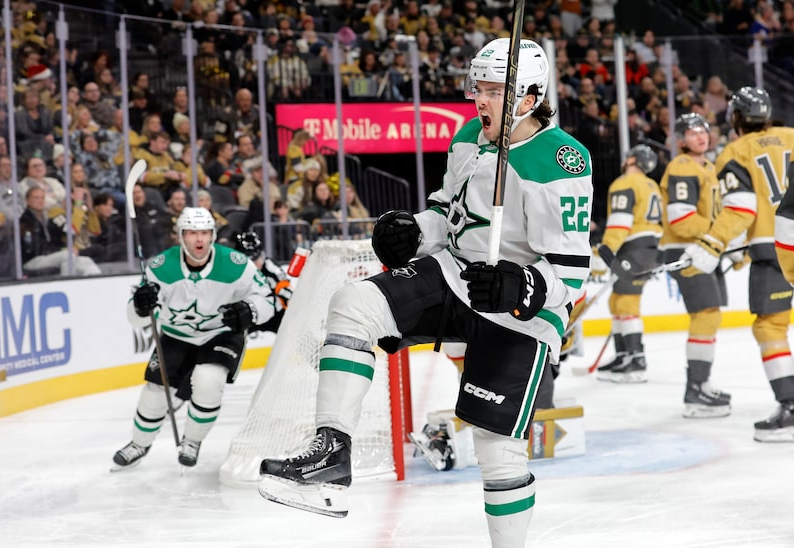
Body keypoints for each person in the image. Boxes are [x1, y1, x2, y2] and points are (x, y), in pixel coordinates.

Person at [258, 38, 593, 546]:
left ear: (527, 98)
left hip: (521, 314)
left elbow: (570, 272)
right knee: (354, 304)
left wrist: (519, 284)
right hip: (454, 277)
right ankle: (331, 454)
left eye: (490, 91)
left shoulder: (562, 159)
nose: (477, 100)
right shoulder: (469, 138)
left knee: (497, 447)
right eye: (476, 88)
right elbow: (447, 214)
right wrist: (415, 231)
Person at [112, 207, 276, 469]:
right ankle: (139, 444)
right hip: (176, 335)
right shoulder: (160, 267)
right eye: (191, 233)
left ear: (212, 235)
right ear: (180, 236)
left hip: (221, 333)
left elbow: (267, 299)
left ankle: (192, 440)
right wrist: (141, 307)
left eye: (204, 233)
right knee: (155, 393)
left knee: (208, 380)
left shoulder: (236, 264)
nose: (199, 240)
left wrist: (250, 310)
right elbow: (137, 319)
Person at [682, 87, 794, 441]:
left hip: (776, 249)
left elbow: (742, 207)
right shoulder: (792, 136)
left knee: (771, 328)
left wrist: (712, 243)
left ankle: (790, 406)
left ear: (736, 119)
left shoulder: (736, 150)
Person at [657, 112, 732, 418]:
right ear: (680, 140)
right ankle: (695, 390)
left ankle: (701, 384)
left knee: (709, 316)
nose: (700, 135)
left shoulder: (709, 167)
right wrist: (718, 236)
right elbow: (681, 217)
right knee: (705, 315)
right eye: (692, 132)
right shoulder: (682, 166)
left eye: (703, 130)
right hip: (686, 249)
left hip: (703, 246)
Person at [592, 145, 663, 383]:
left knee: (626, 303)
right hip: (648, 248)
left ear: (632, 159)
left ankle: (636, 360)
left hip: (633, 248)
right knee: (618, 300)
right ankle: (624, 355)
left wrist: (608, 246)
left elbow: (622, 220)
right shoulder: (652, 185)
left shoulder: (625, 183)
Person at [233, 231, 292, 333]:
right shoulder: (232, 271)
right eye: (252, 261)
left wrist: (280, 302)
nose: (257, 264)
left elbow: (287, 293)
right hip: (246, 315)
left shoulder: (270, 268)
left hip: (273, 315)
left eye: (259, 258)